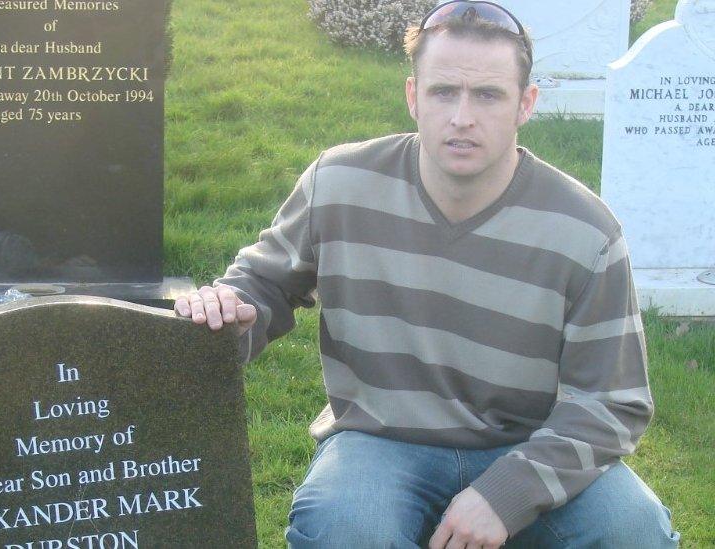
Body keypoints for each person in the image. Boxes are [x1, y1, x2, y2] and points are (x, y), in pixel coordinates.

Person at [174, 1, 681, 547]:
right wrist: (230, 310)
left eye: (488, 95)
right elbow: (264, 283)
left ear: (525, 104)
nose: (462, 116)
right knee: (344, 528)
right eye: (443, 92)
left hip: (525, 442)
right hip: (380, 437)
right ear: (413, 96)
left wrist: (507, 493)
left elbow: (612, 403)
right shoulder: (341, 183)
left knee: (635, 530)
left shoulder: (585, 231)